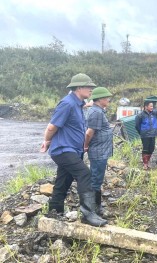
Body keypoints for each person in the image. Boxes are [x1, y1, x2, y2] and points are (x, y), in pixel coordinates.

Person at [40, 73, 107, 227]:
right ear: (78, 88)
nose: (91, 89)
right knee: (85, 174)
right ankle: (88, 214)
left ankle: (54, 213)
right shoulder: (67, 104)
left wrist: (88, 104)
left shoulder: (77, 104)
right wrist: (47, 141)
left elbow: (79, 111)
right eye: (88, 87)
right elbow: (52, 126)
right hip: (63, 150)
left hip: (73, 150)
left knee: (63, 181)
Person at [84, 87, 113, 216]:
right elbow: (89, 132)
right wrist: (85, 146)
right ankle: (95, 208)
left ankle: (96, 205)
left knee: (97, 178)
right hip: (98, 152)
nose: (108, 100)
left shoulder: (98, 110)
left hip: (101, 151)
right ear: (100, 99)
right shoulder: (96, 112)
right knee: (96, 179)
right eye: (107, 98)